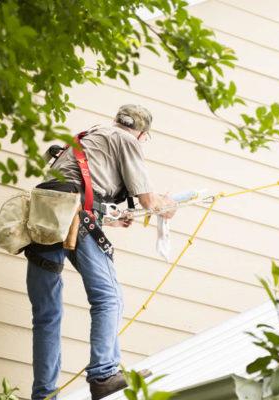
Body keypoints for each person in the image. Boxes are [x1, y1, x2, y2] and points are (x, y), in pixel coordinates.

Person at [25, 105, 176, 400]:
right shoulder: (127, 140)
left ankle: (43, 395)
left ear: (115, 119)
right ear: (143, 134)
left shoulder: (88, 138)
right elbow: (148, 200)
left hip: (44, 212)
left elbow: (73, 186)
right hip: (72, 213)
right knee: (109, 297)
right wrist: (167, 205)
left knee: (46, 314)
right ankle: (104, 373)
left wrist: (108, 218)